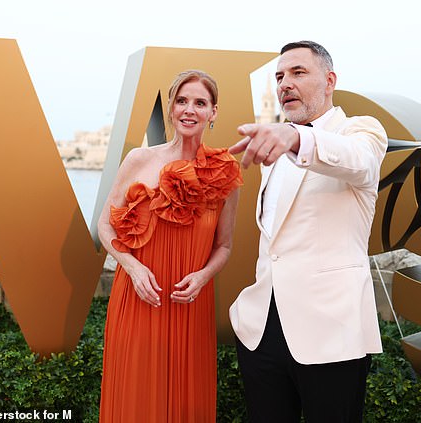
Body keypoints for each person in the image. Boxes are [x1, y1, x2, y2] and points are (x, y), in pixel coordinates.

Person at [228, 40, 388, 422]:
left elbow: (360, 162)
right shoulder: (274, 154)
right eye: (280, 76)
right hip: (261, 333)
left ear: (329, 81)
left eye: (298, 73)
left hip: (331, 334)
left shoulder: (360, 131)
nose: (285, 83)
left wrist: (297, 138)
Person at [98, 69, 243, 422]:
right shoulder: (139, 160)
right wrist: (132, 267)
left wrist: (204, 276)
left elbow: (224, 246)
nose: (189, 109)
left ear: (214, 112)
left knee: (184, 404)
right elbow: (105, 225)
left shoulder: (225, 172)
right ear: (171, 109)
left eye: (200, 102)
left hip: (188, 302)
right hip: (138, 295)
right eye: (181, 101)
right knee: (135, 398)